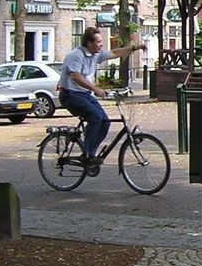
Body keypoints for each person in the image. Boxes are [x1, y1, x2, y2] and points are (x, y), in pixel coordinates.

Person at [58, 28, 142, 171]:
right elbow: (75, 76)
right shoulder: (76, 56)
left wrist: (134, 48)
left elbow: (115, 53)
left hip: (84, 95)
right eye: (98, 42)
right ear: (89, 43)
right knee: (96, 117)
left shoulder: (95, 54)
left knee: (105, 121)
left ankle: (91, 153)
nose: (101, 44)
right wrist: (95, 89)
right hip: (70, 95)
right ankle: (87, 154)